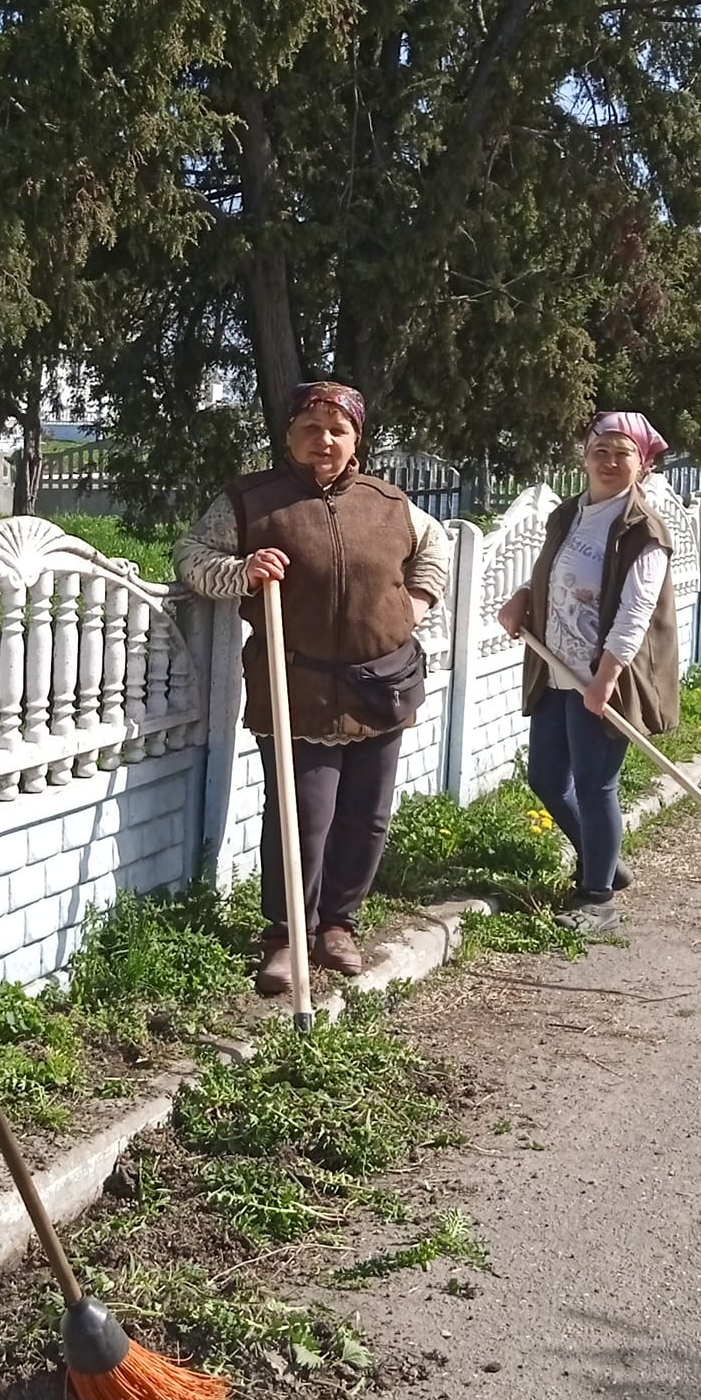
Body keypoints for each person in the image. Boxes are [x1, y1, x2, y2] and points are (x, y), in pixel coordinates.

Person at [175, 382, 449, 991]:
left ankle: (337, 926)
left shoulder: (389, 502)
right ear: (289, 434)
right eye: (309, 428)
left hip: (383, 682)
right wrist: (240, 570)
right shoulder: (252, 501)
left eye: (337, 430)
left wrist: (416, 605)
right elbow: (190, 554)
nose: (323, 440)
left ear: (356, 440)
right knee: (302, 815)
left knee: (368, 816)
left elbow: (436, 547)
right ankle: (285, 934)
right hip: (297, 683)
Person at [495, 411, 682, 934]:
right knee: (546, 779)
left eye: (622, 453)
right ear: (585, 456)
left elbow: (635, 611)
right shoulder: (569, 513)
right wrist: (523, 598)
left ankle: (597, 896)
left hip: (603, 677)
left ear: (641, 465)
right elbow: (554, 573)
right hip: (555, 667)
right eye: (600, 449)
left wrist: (606, 677)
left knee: (597, 785)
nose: (608, 460)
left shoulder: (644, 530)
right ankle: (603, 857)